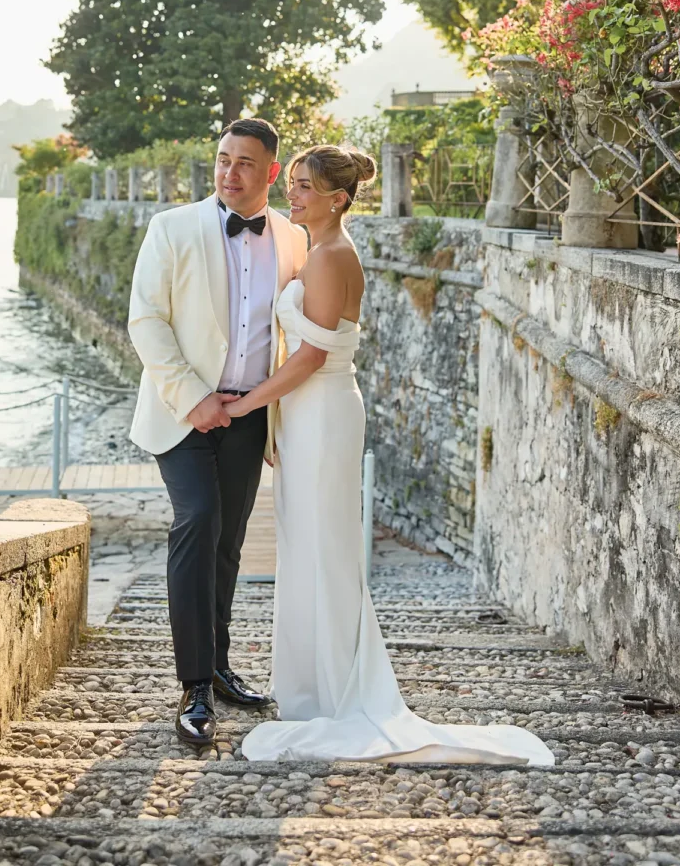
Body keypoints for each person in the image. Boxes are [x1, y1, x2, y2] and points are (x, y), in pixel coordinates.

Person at [224, 144, 554, 767]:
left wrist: (243, 406)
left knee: (325, 549)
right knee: (309, 546)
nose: (291, 194)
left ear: (338, 197)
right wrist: (273, 419)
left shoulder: (331, 257)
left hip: (322, 414)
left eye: (303, 187)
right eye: (291, 183)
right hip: (306, 415)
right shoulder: (319, 250)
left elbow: (311, 356)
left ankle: (335, 694)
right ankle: (312, 689)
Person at [127, 118, 308, 748]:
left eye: (244, 164)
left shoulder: (291, 237)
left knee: (229, 542)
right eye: (222, 159)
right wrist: (194, 397)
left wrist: (278, 416)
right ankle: (195, 685)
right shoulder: (171, 228)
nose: (229, 173)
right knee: (197, 521)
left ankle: (223, 668)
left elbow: (292, 334)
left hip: (251, 416)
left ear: (272, 173)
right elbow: (146, 321)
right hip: (183, 412)